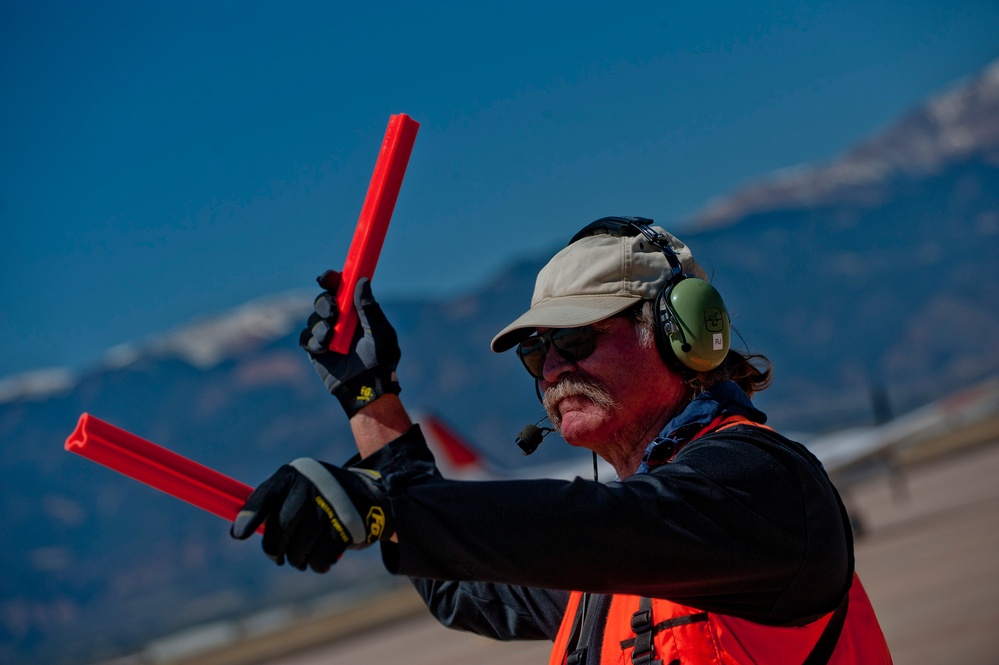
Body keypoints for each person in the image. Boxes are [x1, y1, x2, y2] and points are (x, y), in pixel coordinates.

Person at [231, 216, 893, 664]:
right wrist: (369, 396)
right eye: (535, 352)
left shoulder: (760, 485)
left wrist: (389, 500)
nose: (551, 368)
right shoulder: (620, 560)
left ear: (679, 331)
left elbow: (612, 525)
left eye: (574, 340)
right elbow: (458, 584)